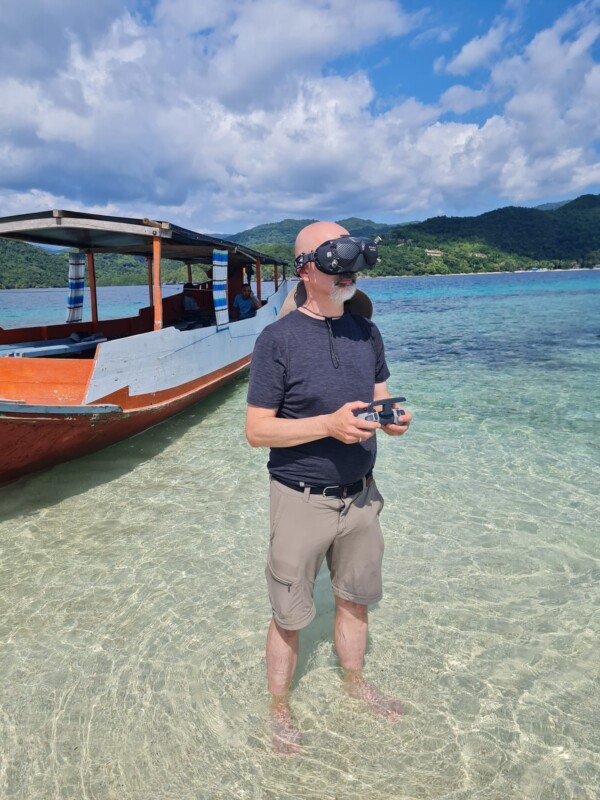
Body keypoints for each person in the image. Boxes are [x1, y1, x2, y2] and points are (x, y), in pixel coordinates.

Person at [245, 221, 412, 754]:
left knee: (355, 600)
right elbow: (257, 431)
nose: (349, 272)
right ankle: (278, 709)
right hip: (301, 497)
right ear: (306, 269)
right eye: (335, 259)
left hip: (361, 495)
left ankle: (354, 682)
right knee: (290, 616)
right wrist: (327, 425)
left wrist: (392, 419)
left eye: (353, 257)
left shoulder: (367, 331)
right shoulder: (278, 339)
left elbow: (379, 397)